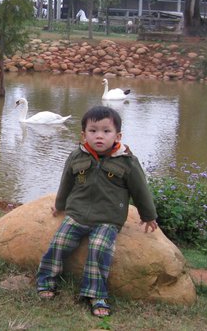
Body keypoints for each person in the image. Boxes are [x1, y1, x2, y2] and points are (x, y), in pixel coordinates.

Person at [36, 105, 158, 318]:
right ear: (84, 135)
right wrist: (60, 204)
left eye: (106, 131)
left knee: (99, 249)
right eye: (93, 131)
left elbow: (140, 190)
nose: (99, 136)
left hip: (108, 219)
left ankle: (96, 294)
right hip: (77, 214)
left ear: (117, 135)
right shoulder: (77, 156)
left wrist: (148, 215)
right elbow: (66, 181)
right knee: (59, 242)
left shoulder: (127, 161)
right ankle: (46, 280)